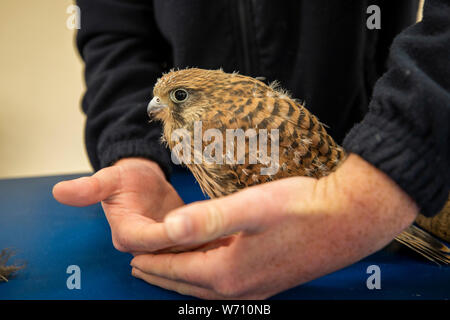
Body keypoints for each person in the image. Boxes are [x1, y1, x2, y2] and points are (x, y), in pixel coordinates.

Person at [53, 0, 449, 299]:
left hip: (374, 152)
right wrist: (132, 150)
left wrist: (383, 177)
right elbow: (115, 27)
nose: (156, 107)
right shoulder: (192, 133)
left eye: (175, 97)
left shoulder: (222, 141)